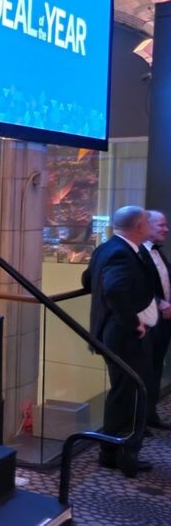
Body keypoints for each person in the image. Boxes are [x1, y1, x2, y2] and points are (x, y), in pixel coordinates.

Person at [82, 205, 158, 478]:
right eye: (148, 221)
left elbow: (88, 280)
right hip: (123, 335)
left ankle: (113, 452)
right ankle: (122, 455)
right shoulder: (121, 253)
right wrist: (133, 322)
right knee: (129, 394)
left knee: (124, 392)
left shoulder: (107, 248)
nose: (152, 226)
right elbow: (114, 289)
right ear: (139, 227)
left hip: (115, 333)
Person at [143, 210, 171, 429]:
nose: (166, 229)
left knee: (155, 369)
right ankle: (138, 422)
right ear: (145, 226)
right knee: (144, 372)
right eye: (161, 225)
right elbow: (136, 287)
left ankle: (150, 415)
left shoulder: (158, 252)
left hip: (163, 322)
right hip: (146, 323)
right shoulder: (135, 253)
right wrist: (160, 302)